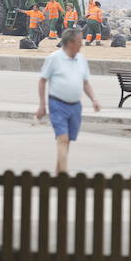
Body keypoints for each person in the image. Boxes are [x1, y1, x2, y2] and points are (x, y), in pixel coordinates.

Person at [36, 27, 101, 174]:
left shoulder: (81, 59)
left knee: (67, 141)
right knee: (63, 138)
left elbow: (85, 82)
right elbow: (42, 81)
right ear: (70, 42)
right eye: (80, 41)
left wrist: (94, 100)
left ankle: (58, 174)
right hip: (57, 103)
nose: (82, 44)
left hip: (75, 106)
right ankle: (65, 175)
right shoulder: (54, 58)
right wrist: (42, 105)